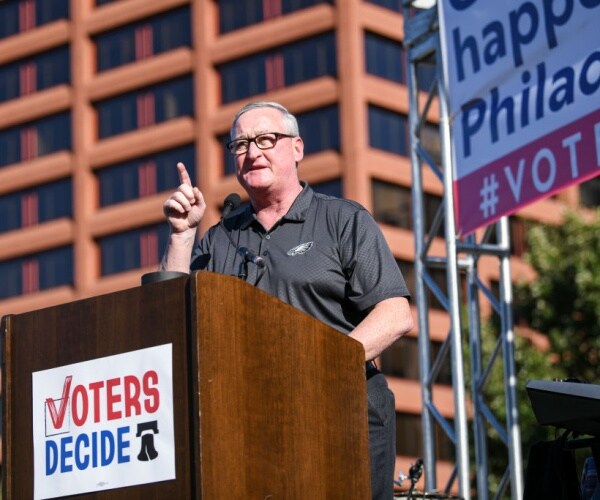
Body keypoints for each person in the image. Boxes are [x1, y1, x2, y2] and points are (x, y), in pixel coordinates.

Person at [160, 101, 414, 499]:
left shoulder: (342, 220)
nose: (253, 152)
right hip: (252, 422)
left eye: (265, 139)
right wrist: (180, 236)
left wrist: (319, 366)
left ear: (296, 148)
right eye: (241, 144)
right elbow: (169, 314)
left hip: (342, 412)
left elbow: (395, 313)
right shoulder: (220, 237)